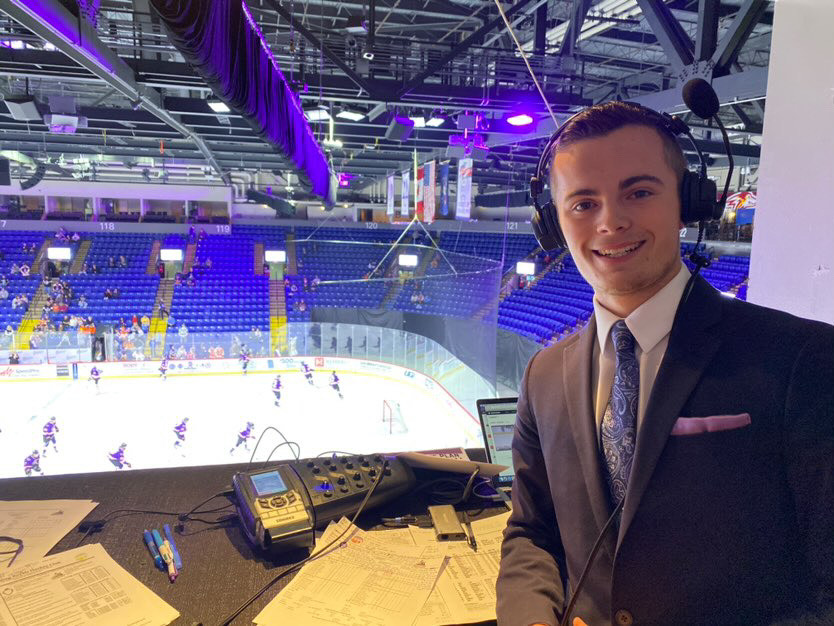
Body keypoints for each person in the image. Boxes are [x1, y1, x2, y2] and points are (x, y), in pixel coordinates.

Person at [495, 102, 834, 626]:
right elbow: (531, 532)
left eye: (639, 192)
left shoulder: (802, 359)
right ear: (554, 225)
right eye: (583, 203)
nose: (611, 221)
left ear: (689, 203)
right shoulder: (543, 376)